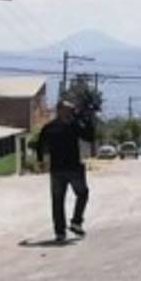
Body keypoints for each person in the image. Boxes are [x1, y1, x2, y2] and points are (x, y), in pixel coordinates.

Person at [35, 100, 95, 242]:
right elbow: (89, 136)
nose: (71, 112)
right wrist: (86, 119)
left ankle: (63, 230)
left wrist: (40, 160)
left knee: (61, 200)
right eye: (69, 109)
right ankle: (73, 224)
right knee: (79, 195)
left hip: (60, 169)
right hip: (70, 169)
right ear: (61, 110)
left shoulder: (51, 127)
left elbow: (39, 145)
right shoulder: (72, 125)